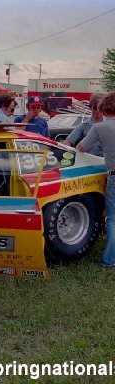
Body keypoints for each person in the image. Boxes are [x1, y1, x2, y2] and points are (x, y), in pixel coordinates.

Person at [77, 92, 115, 267]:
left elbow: (82, 147)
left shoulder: (99, 128)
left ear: (104, 108)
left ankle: (109, 259)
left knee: (113, 219)